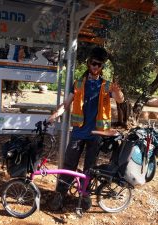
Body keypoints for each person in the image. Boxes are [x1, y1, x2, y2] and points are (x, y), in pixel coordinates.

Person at [47, 46, 125, 211]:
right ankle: (60, 194)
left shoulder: (106, 85)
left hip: (96, 134)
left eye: (99, 65)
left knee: (90, 167)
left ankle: (85, 195)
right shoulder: (78, 83)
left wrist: (118, 92)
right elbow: (67, 104)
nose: (96, 67)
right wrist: (55, 115)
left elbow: (119, 100)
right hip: (78, 133)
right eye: (94, 63)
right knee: (69, 164)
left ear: (102, 67)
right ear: (89, 64)